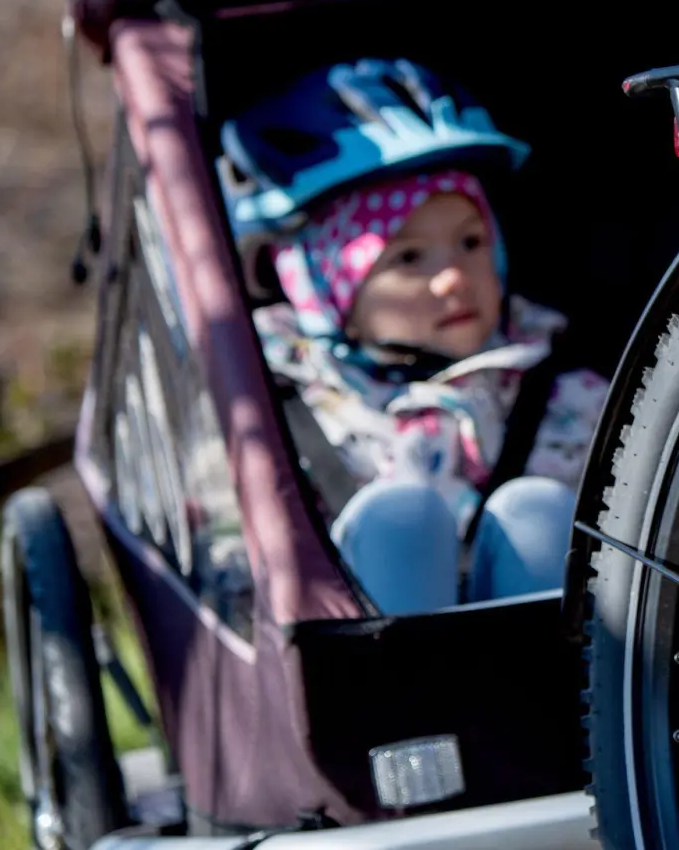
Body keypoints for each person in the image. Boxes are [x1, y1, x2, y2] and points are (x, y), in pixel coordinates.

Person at [216, 58, 608, 615]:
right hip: (352, 662)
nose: (454, 277)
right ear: (320, 285)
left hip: (558, 665)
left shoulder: (571, 400)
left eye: (472, 244)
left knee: (537, 512)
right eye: (408, 258)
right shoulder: (277, 415)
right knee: (400, 519)